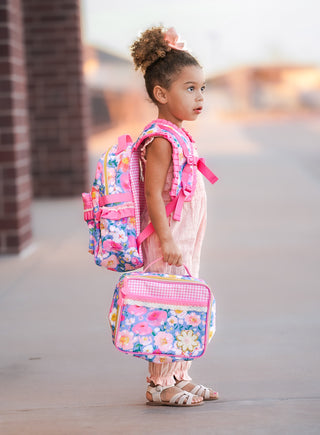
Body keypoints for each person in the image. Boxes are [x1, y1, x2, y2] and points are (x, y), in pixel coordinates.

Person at [131, 26, 219, 407]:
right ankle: (158, 384)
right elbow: (153, 193)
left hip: (184, 233)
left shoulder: (178, 133)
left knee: (183, 301)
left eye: (202, 88)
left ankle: (178, 375)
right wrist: (166, 239)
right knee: (165, 305)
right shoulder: (161, 139)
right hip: (167, 236)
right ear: (161, 94)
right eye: (189, 88)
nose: (199, 97)